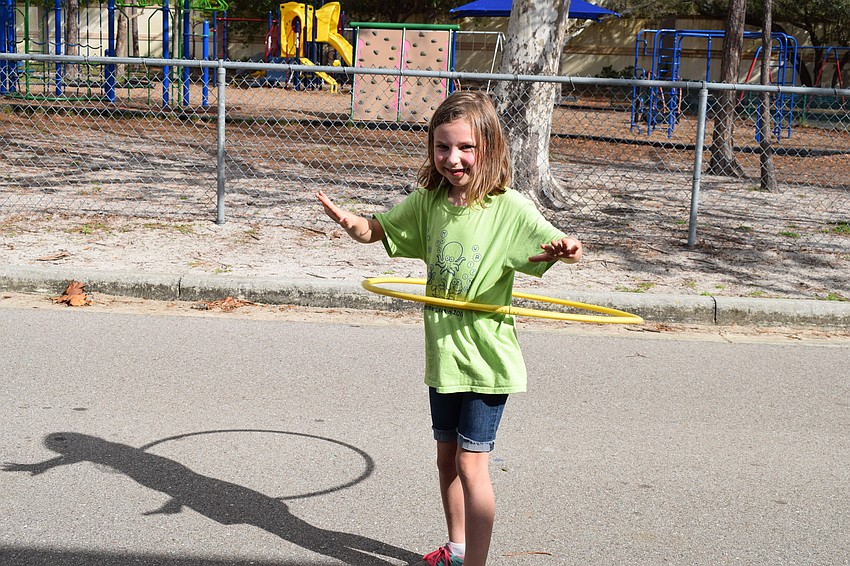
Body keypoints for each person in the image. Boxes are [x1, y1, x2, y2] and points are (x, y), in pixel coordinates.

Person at [316, 91, 582, 566]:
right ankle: (458, 550)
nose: (452, 158)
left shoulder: (509, 208)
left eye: (465, 148)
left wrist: (564, 249)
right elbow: (380, 229)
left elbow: (552, 244)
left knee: (470, 462)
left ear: (490, 148)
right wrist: (354, 223)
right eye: (442, 147)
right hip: (444, 356)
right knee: (445, 458)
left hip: (485, 359)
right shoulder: (429, 202)